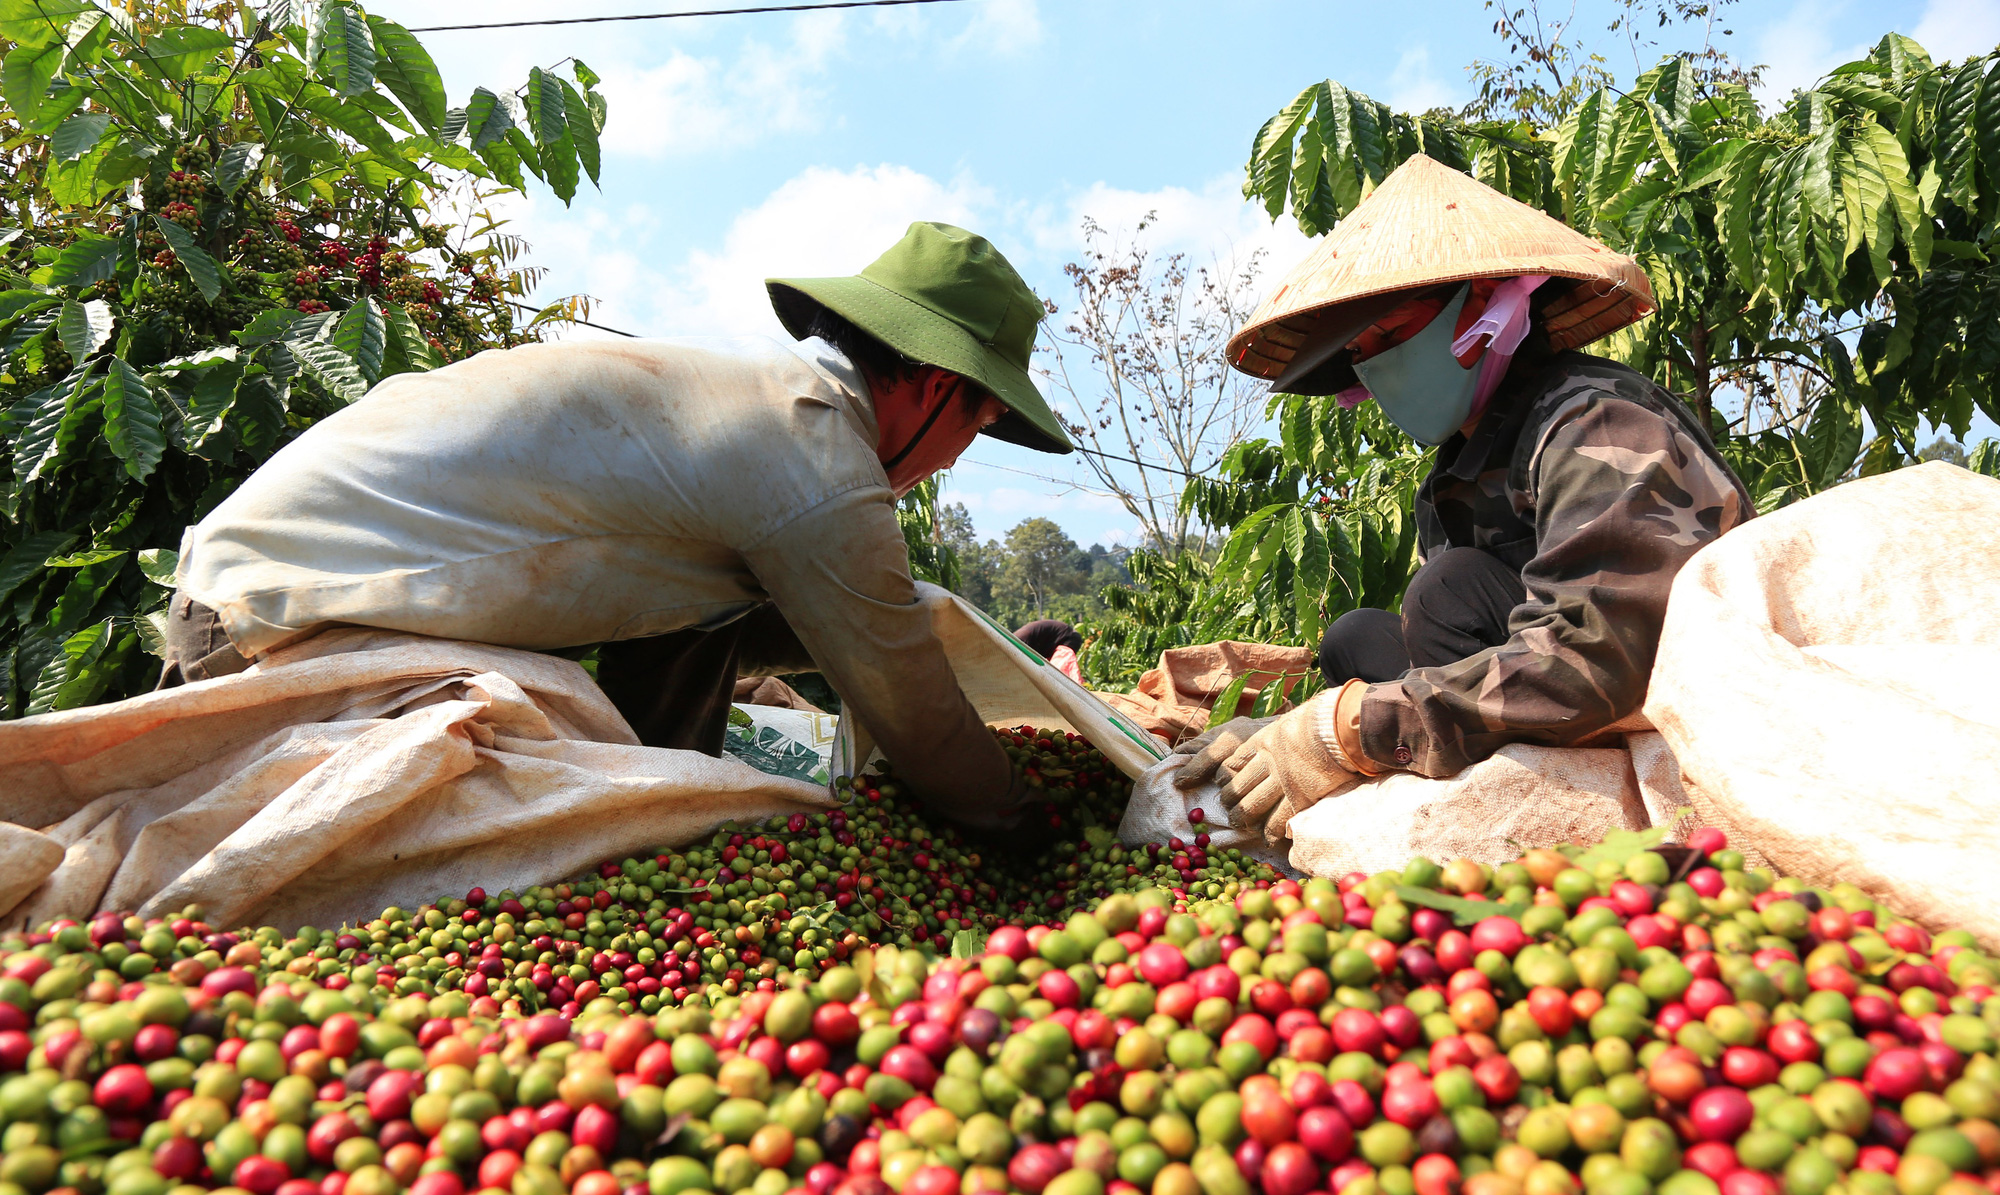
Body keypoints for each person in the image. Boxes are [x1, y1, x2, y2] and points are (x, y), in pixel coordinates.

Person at [165, 221, 1074, 830]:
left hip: (249, 587)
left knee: (699, 625)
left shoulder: (751, 409)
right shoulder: (813, 454)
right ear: (938, 384)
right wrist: (1049, 824)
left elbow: (774, 625)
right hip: (280, 629)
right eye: (979, 424)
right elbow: (919, 727)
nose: (955, 457)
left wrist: (952, 644)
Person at [1179, 155, 1753, 842]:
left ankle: (1535, 816)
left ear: (1483, 299)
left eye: (1393, 336)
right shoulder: (1455, 473)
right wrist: (1285, 731)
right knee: (1356, 637)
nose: (1380, 367)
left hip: (1642, 699)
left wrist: (1355, 727)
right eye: (1364, 352)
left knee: (1443, 591)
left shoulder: (1594, 424)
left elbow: (1599, 654)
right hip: (1537, 694)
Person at [1013, 618, 1084, 685]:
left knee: (1058, 675)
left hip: (1068, 638)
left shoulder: (1019, 642)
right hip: (1052, 644)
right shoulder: (1015, 641)